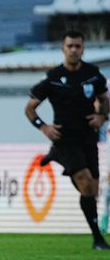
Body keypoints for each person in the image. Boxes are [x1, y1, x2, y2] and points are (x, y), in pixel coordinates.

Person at [25, 30, 110, 250]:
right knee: (84, 181)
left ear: (83, 49)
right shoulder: (53, 77)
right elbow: (30, 108)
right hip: (64, 137)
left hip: (87, 137)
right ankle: (98, 240)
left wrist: (102, 115)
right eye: (70, 46)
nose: (74, 50)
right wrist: (43, 127)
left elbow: (104, 99)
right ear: (63, 48)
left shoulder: (93, 74)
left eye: (78, 46)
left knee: (91, 189)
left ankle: (55, 156)